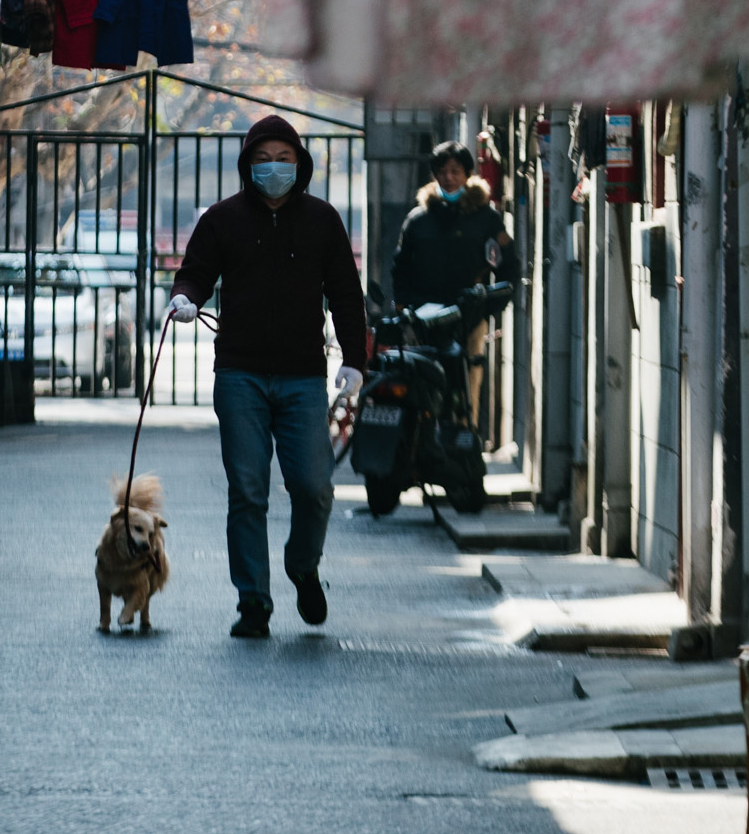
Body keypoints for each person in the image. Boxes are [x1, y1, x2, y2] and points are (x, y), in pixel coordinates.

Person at [169, 114, 370, 639]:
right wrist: (185, 298)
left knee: (314, 486)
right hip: (240, 375)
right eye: (262, 160)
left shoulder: (323, 220)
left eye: (283, 159)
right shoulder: (222, 219)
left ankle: (303, 566)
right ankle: (253, 600)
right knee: (248, 489)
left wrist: (353, 360)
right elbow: (195, 270)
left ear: (299, 164)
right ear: (247, 166)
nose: (274, 168)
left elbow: (346, 295)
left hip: (304, 377)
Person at [391, 141, 507, 437]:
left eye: (455, 171)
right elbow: (400, 265)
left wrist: (490, 305)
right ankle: (422, 435)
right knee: (422, 376)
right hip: (423, 317)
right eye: (442, 172)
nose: (449, 178)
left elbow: (507, 263)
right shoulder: (418, 220)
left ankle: (465, 440)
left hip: (468, 316)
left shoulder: (486, 218)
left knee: (469, 378)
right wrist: (403, 305)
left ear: (468, 174)